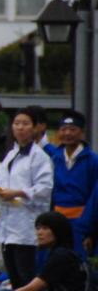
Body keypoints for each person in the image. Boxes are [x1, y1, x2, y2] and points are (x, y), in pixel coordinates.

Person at [0, 108, 54, 289]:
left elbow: (45, 188)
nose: (20, 128)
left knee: (25, 277)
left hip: (26, 227)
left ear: (35, 128)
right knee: (13, 277)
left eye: (25, 124)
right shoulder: (11, 154)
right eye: (16, 123)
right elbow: (3, 185)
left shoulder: (39, 157)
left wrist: (18, 192)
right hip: (8, 227)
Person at [47, 110, 98, 257]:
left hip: (81, 222)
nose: (67, 133)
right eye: (63, 129)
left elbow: (94, 198)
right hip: (56, 221)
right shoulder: (54, 158)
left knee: (77, 263)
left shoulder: (92, 161)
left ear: (81, 133)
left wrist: (90, 231)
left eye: (72, 129)